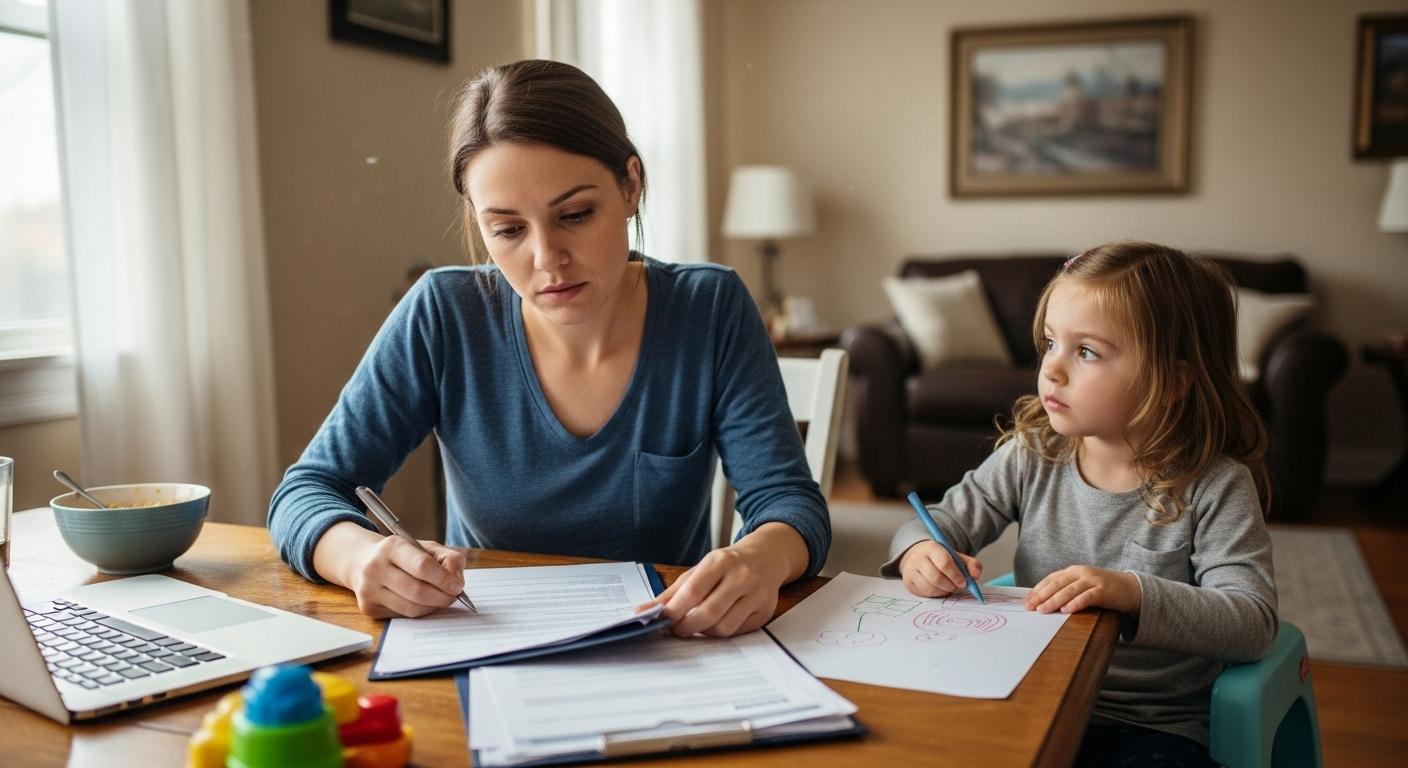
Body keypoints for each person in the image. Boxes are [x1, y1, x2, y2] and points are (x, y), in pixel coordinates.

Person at [268, 59, 829, 639]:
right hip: (486, 644)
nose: (547, 259)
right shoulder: (443, 313)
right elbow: (305, 493)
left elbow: (789, 502)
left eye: (576, 215)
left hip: (665, 646)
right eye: (508, 230)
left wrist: (760, 557)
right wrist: (359, 556)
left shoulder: (709, 309)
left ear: (630, 185)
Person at [885, 241, 1276, 766]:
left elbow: (1251, 623)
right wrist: (919, 553)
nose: (1052, 370)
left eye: (1086, 351)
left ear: (1173, 381)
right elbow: (938, 522)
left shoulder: (1215, 486)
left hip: (1149, 726)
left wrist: (1130, 593)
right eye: (1050, 343)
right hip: (1032, 694)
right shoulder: (1033, 454)